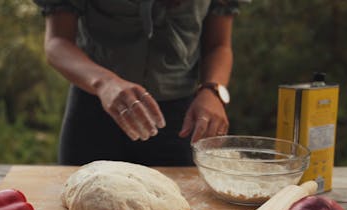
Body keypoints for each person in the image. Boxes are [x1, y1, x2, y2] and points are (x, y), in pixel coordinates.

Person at [33, 0, 250, 166]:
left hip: (181, 121)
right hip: (94, 111)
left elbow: (218, 45)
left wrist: (213, 90)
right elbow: (57, 42)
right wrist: (104, 82)